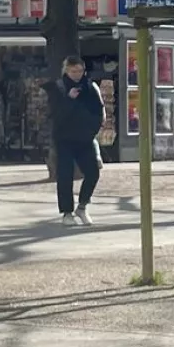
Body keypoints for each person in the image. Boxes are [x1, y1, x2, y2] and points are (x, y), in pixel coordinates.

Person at [46, 56, 105, 225]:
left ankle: (82, 206)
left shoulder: (90, 87)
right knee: (65, 175)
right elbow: (54, 115)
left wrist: (92, 130)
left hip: (85, 138)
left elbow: (99, 110)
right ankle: (67, 213)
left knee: (93, 172)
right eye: (73, 71)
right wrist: (69, 99)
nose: (77, 74)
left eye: (80, 71)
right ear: (66, 71)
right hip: (64, 138)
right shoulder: (58, 88)